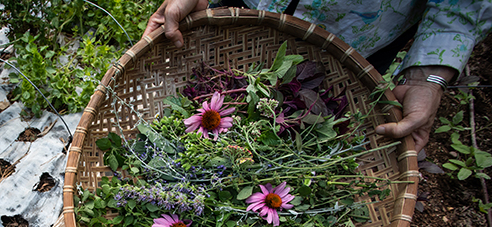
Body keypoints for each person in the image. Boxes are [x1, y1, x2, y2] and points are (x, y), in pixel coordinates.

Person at [144, 0, 492, 153]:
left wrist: (427, 75)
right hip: (243, 5)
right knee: (207, 82)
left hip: (356, 32)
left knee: (313, 121)